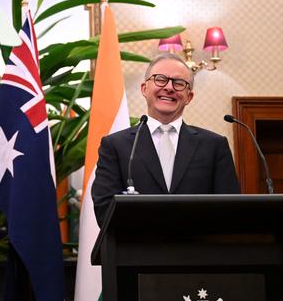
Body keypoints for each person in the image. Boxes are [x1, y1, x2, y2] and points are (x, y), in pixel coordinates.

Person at [91, 53, 240, 225]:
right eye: (160, 79)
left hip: (197, 248)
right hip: (138, 249)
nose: (169, 87)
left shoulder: (214, 145)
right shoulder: (115, 145)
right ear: (144, 89)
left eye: (178, 83)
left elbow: (230, 209)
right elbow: (104, 210)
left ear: (189, 97)